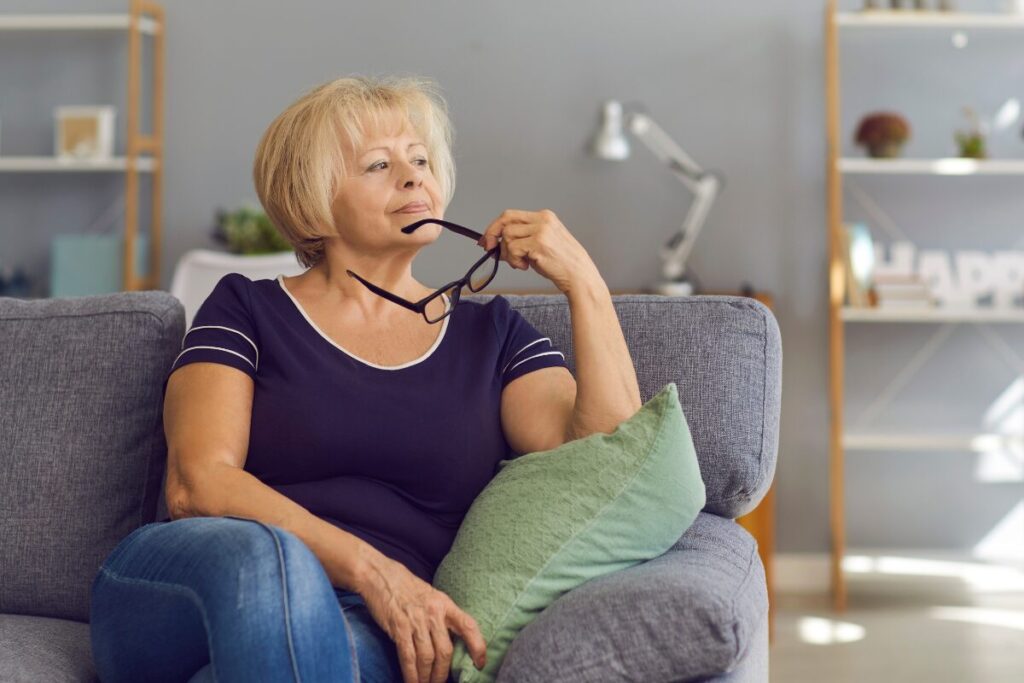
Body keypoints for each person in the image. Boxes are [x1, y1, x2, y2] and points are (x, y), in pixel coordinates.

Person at [89, 74, 642, 683]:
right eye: (379, 164)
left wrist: (584, 282)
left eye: (421, 160)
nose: (412, 178)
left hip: (363, 625)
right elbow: (197, 484)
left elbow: (611, 459)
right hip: (197, 582)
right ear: (312, 198)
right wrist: (378, 574)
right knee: (268, 560)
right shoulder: (246, 307)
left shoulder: (493, 336)